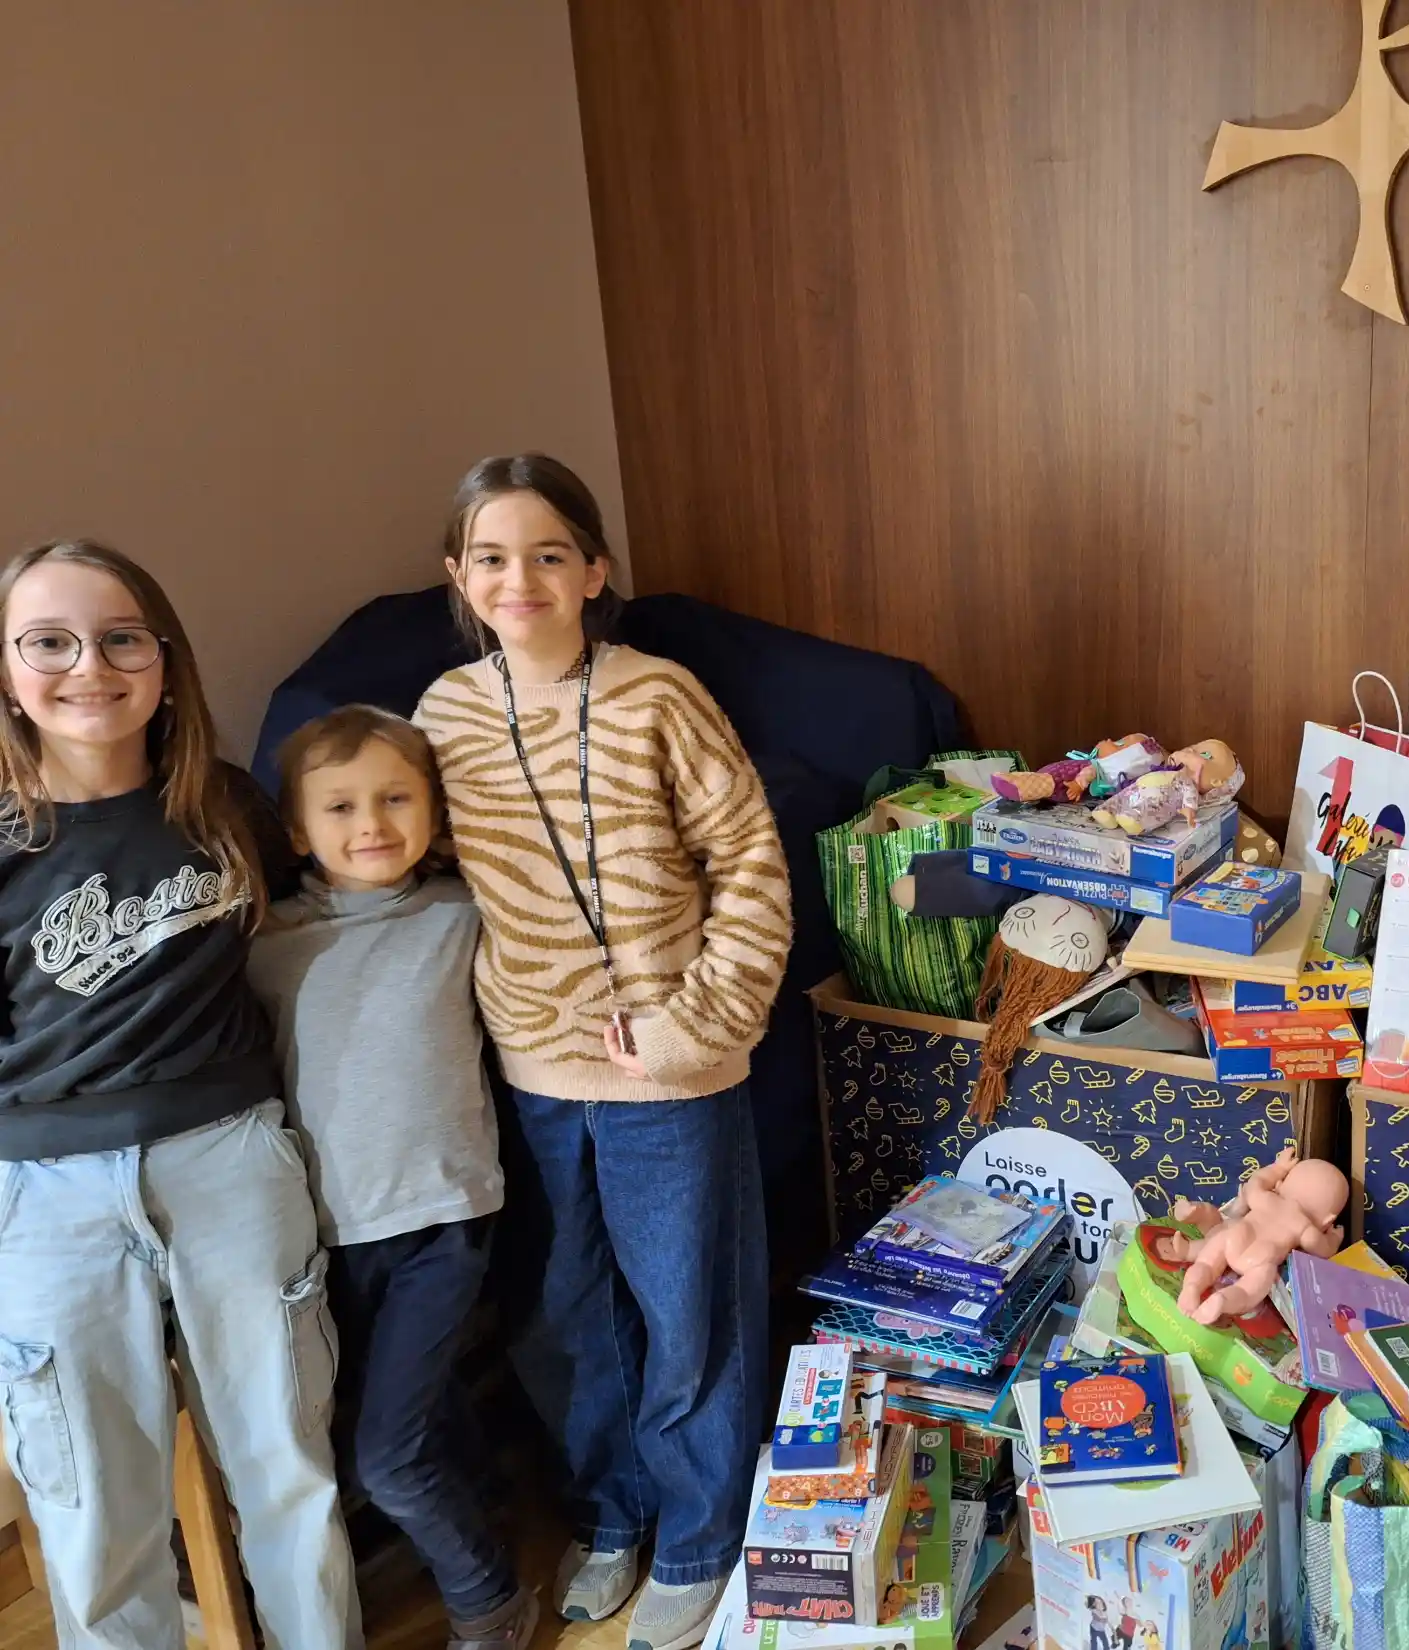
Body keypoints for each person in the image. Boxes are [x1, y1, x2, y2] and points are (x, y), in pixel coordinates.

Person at [415, 454, 793, 1650]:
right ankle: (610, 1515)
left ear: (593, 570)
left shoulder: (659, 696)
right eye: (490, 557)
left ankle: (699, 1537)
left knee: (690, 1319)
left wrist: (694, 1024)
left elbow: (750, 866)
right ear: (458, 576)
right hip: (532, 1075)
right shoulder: (443, 716)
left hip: (671, 1075)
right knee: (561, 1320)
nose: (517, 578)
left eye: (546, 554)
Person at [0, 540, 358, 1650]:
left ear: (165, 659)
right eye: (48, 643)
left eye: (121, 639)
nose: (88, 667)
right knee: (96, 1517)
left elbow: (325, 912)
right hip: (44, 1194)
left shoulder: (223, 805)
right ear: (7, 667)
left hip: (230, 1160)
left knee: (288, 1475)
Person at [247, 706, 534, 1650]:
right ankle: (486, 1509)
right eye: (340, 807)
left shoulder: (461, 915)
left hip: (442, 1222)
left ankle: (489, 1600)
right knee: (402, 1417)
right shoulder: (266, 946)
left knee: (390, 1456)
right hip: (325, 1238)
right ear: (298, 829)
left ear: (435, 812)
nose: (370, 824)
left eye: (396, 799)